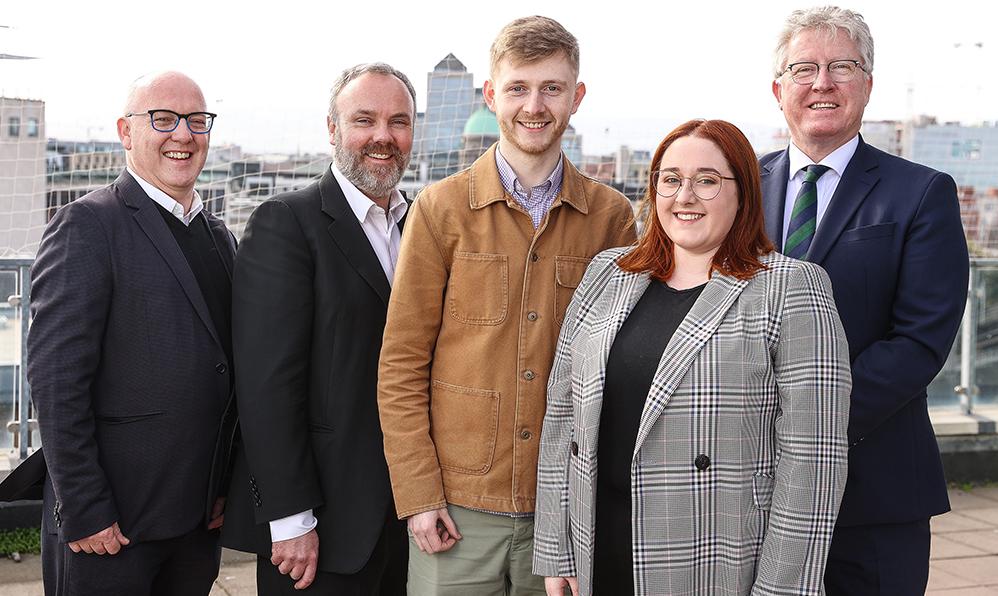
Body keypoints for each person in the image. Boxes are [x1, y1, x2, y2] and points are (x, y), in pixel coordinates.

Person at [533, 118, 851, 596]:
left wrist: (781, 589)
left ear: (742, 192)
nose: (685, 197)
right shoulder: (607, 273)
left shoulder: (790, 289)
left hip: (714, 556)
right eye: (671, 179)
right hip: (599, 544)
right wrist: (556, 548)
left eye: (707, 180)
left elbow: (813, 462)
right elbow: (562, 417)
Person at [377, 15, 636, 595]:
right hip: (459, 510)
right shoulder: (439, 211)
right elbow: (400, 365)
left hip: (567, 513)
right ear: (492, 95)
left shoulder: (613, 217)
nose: (534, 105)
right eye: (518, 87)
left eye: (552, 87)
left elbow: (620, 364)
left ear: (577, 97)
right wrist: (419, 496)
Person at [761, 7, 970, 594]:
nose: (821, 83)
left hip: (874, 491)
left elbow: (921, 340)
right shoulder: (738, 187)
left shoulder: (921, 192)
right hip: (754, 491)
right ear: (779, 90)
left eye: (841, 67)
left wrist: (809, 424)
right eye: (803, 68)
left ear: (868, 85)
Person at [27, 71, 235, 595]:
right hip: (112, 525)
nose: (183, 135)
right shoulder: (87, 226)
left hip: (194, 521)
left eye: (196, 120)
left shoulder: (219, 238)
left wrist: (223, 484)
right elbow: (56, 384)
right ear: (125, 131)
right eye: (162, 120)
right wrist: (85, 507)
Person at [220, 63, 414, 595]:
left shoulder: (420, 225)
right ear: (332, 129)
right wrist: (289, 517)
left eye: (398, 121)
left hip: (409, 523)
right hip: (320, 528)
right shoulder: (287, 223)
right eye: (364, 120)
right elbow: (266, 385)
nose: (383, 137)